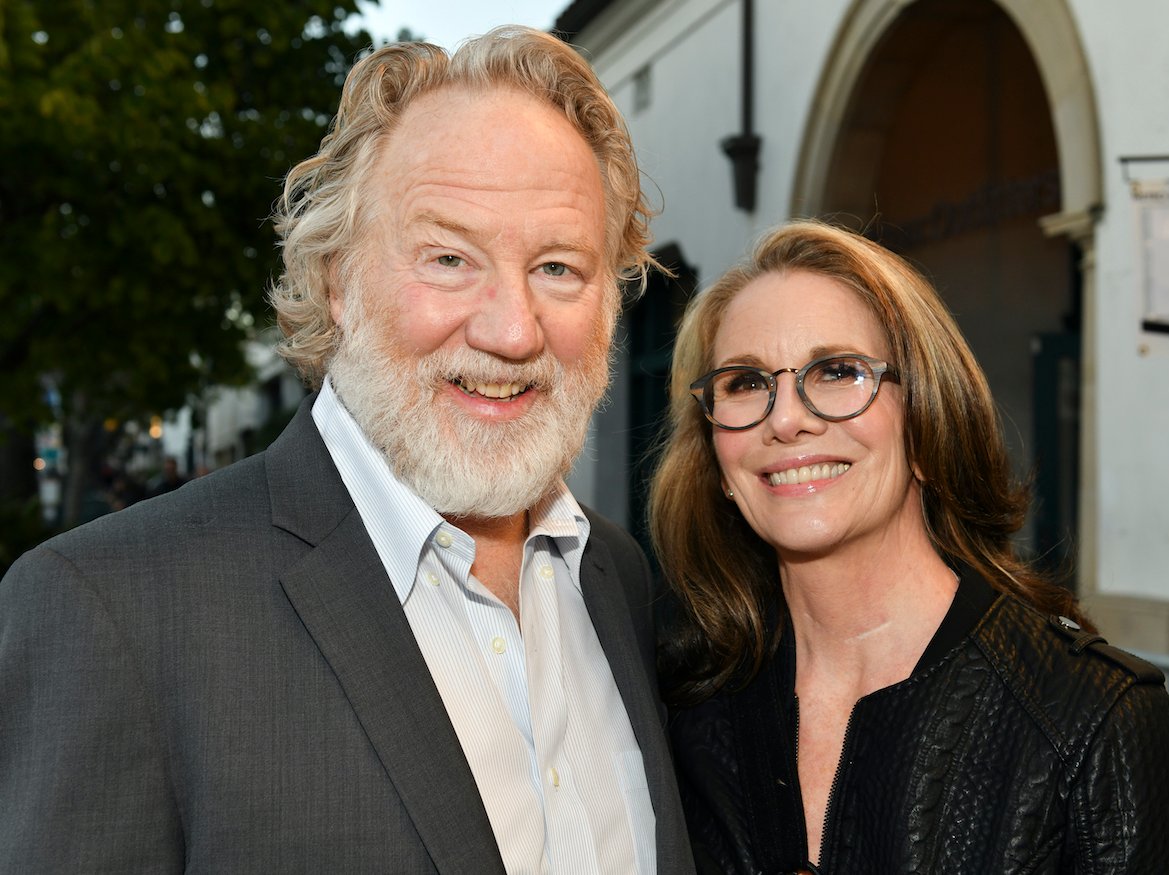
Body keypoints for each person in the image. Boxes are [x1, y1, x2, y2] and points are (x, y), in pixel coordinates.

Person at [0, 28, 694, 874]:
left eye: (558, 267)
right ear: (336, 276)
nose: (513, 329)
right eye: (448, 257)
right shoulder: (114, 613)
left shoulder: (618, 578)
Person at [649, 220, 1169, 874]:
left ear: (925, 419)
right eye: (744, 382)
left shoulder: (1091, 720)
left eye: (836, 370)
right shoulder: (683, 703)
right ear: (717, 457)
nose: (785, 418)